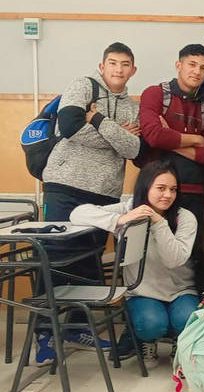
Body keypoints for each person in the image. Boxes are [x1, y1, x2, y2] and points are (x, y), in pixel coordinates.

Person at [35, 42, 141, 364]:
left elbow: (134, 149)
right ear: (102, 66)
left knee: (89, 259)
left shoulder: (132, 107)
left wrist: (95, 120)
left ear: (133, 70)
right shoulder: (82, 85)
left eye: (125, 64)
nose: (118, 70)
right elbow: (68, 127)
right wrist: (114, 136)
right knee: (52, 256)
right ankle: (44, 333)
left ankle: (78, 327)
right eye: (112, 63)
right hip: (64, 186)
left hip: (104, 194)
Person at [70, 161, 199, 369]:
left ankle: (180, 341)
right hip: (142, 292)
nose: (167, 195)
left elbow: (174, 259)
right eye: (161, 188)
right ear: (145, 187)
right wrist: (121, 219)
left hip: (181, 290)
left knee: (186, 320)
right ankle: (146, 341)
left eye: (173, 190)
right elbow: (77, 213)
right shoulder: (129, 208)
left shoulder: (185, 217)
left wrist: (159, 223)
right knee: (151, 324)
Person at [139, 44, 204, 222]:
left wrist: (169, 137)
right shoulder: (155, 94)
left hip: (195, 193)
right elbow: (154, 136)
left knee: (192, 249)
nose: (197, 71)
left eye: (203, 68)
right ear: (179, 65)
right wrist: (196, 139)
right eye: (192, 64)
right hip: (156, 191)